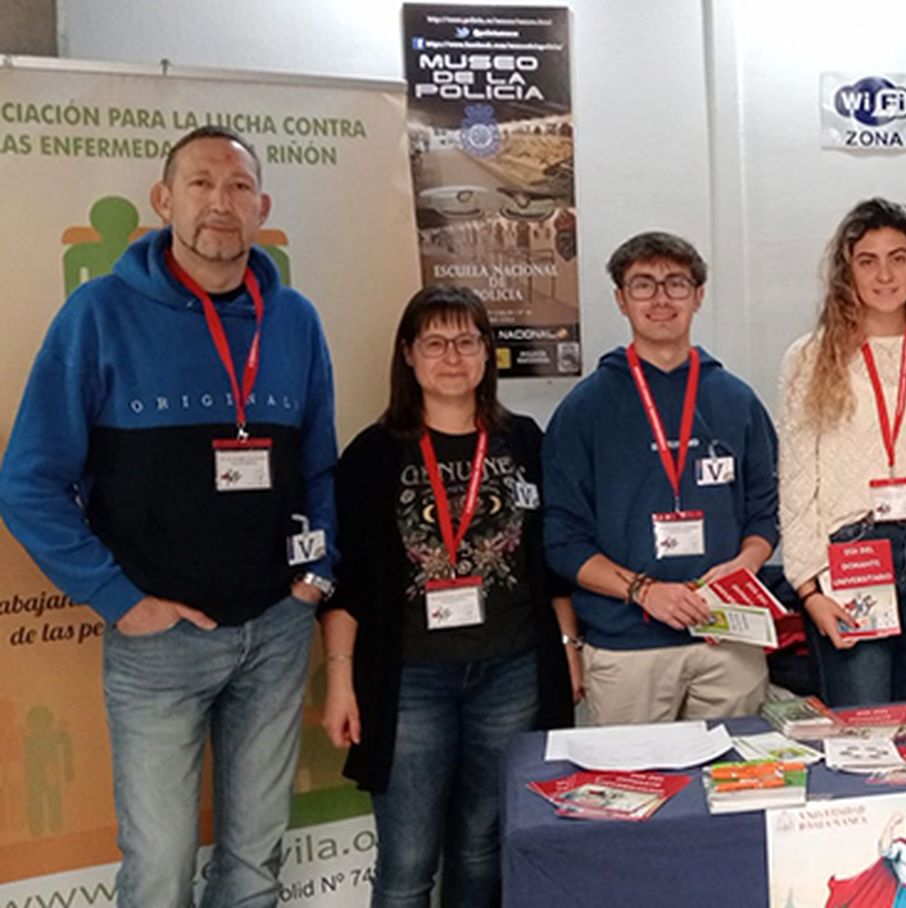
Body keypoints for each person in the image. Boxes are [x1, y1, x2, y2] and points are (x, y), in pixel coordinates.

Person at [0, 125, 337, 907]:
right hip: (158, 647)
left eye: (239, 187)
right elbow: (27, 483)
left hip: (277, 631)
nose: (221, 202)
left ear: (262, 209)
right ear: (163, 200)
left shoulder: (295, 320)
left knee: (255, 865)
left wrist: (316, 577)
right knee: (158, 872)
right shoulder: (98, 314)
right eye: (200, 184)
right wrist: (121, 601)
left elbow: (319, 467)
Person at [318, 286, 576, 907]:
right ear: (408, 354)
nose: (452, 357)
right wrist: (340, 681)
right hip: (411, 681)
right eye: (435, 343)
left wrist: (569, 649)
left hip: (511, 672)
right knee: (408, 861)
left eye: (466, 341)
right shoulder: (374, 454)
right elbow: (348, 585)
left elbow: (550, 562)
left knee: (482, 847)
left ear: (488, 353)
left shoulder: (524, 442)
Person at [543, 231, 779, 724]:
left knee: (736, 770)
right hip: (628, 647)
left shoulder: (737, 401)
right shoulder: (585, 409)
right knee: (636, 771)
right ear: (621, 300)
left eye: (676, 283)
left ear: (698, 295)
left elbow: (767, 509)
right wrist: (644, 591)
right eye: (643, 284)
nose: (661, 298)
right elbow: (563, 540)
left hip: (727, 637)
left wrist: (746, 563)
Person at [778, 198, 906, 707]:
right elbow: (796, 480)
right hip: (851, 554)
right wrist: (808, 589)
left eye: (897, 258)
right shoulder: (811, 357)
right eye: (868, 261)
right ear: (848, 272)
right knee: (864, 722)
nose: (884, 275)